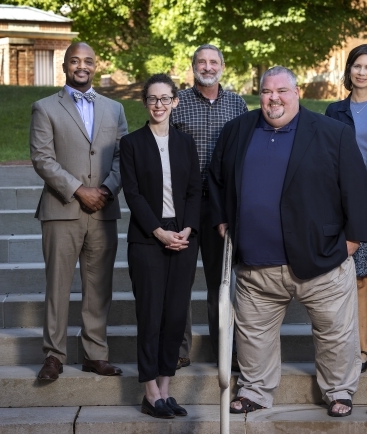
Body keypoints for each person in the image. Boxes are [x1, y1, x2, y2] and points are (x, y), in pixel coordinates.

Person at [210, 66, 367, 417]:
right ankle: (254, 390)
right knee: (253, 336)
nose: (274, 98)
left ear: (297, 93)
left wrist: (354, 240)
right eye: (267, 91)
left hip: (322, 260)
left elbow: (357, 188)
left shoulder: (332, 133)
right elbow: (216, 179)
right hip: (256, 263)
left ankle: (339, 390)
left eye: (282, 91)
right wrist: (222, 217)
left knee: (336, 334)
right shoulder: (237, 130)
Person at [30, 42, 127, 381]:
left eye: (88, 60)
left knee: (99, 287)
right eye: (75, 60)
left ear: (96, 65)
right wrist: (78, 190)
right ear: (65, 66)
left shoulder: (114, 109)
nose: (81, 66)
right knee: (57, 285)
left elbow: (123, 157)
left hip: (103, 211)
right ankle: (54, 356)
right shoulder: (44, 108)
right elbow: (42, 158)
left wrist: (106, 190)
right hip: (61, 210)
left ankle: (95, 354)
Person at [120, 74, 201, 419]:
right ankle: (150, 392)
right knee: (151, 314)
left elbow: (196, 191)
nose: (158, 105)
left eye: (165, 99)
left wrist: (187, 228)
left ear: (175, 102)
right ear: (145, 102)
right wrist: (158, 231)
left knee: (175, 315)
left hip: (182, 237)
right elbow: (133, 193)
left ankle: (166, 389)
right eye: (152, 99)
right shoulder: (132, 143)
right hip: (148, 238)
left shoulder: (186, 142)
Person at [170, 44, 248, 369]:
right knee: (180, 280)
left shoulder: (237, 104)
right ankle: (177, 349)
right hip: (184, 205)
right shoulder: (177, 104)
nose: (207, 66)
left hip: (220, 208)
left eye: (213, 61)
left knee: (221, 283)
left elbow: (246, 153)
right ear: (193, 66)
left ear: (223, 66)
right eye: (201, 61)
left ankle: (223, 351)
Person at [325, 44, 367, 375]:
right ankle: (362, 348)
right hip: (349, 205)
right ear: (349, 70)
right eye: (356, 66)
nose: (361, 72)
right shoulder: (333, 111)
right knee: (358, 280)